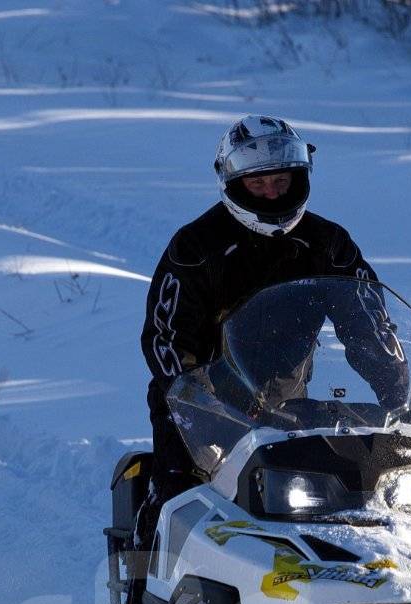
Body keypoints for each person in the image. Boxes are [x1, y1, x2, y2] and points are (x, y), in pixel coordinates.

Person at [136, 115, 391, 553]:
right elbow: (166, 341)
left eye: (281, 181)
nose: (273, 193)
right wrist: (202, 399)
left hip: (289, 408)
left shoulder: (328, 243)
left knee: (377, 490)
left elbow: (367, 322)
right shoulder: (196, 248)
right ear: (234, 183)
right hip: (199, 410)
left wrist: (397, 392)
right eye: (259, 184)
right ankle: (143, 602)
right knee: (178, 502)